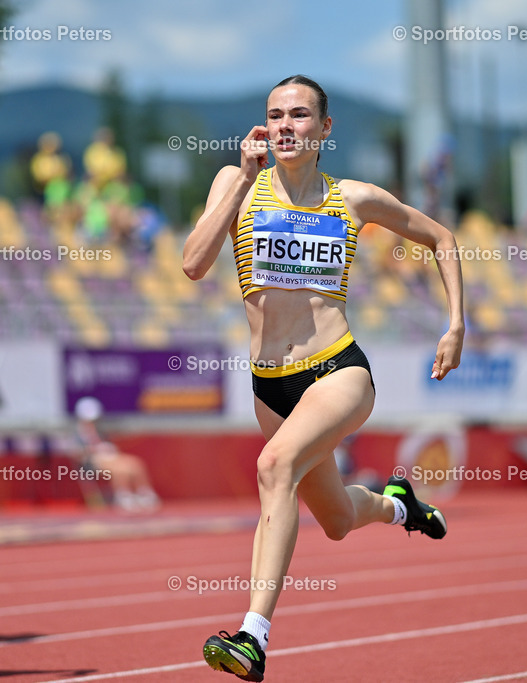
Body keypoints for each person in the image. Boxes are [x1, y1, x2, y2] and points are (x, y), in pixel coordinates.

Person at [183, 75, 464, 682]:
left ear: (325, 129)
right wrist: (237, 189)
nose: (286, 125)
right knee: (336, 521)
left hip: (337, 369)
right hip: (270, 383)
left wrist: (456, 326)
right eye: (275, 114)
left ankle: (252, 638)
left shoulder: (354, 199)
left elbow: (441, 237)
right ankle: (397, 507)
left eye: (300, 115)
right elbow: (192, 263)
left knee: (273, 466)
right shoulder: (235, 185)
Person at [73, 397, 160, 512]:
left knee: (135, 463)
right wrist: (93, 450)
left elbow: (108, 446)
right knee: (120, 469)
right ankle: (123, 496)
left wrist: (107, 449)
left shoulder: (100, 429)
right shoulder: (77, 433)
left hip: (110, 457)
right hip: (91, 462)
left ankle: (144, 493)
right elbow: (78, 454)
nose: (91, 422)